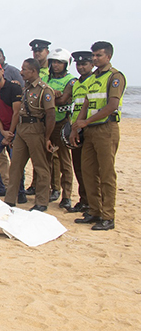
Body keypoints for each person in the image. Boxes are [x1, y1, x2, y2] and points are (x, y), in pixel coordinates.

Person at [70, 41, 124, 231]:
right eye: (93, 55)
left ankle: (108, 216)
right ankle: (94, 211)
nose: (95, 58)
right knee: (88, 171)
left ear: (108, 56)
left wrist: (86, 122)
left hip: (106, 129)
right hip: (90, 131)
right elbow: (86, 104)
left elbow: (112, 105)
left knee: (106, 173)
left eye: (98, 55)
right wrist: (77, 127)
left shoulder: (114, 77)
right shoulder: (92, 79)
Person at [4, 59, 55, 211]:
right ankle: (10, 199)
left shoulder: (44, 90)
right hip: (22, 128)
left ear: (33, 71)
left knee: (40, 166)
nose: (21, 72)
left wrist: (47, 137)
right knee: (16, 165)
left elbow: (50, 115)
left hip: (35, 128)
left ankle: (41, 202)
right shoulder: (26, 88)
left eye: (24, 69)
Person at [0, 61, 23, 198]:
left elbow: (16, 112)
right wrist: (2, 132)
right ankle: (0, 187)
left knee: (16, 160)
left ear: (2, 71)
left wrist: (10, 134)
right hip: (2, 129)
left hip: (16, 128)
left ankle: (20, 191)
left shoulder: (14, 88)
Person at [46, 48, 77, 208]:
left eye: (59, 62)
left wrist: (49, 96)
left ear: (66, 64)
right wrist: (52, 94)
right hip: (47, 123)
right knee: (49, 158)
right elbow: (41, 97)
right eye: (54, 62)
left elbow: (63, 100)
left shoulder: (71, 80)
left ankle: (67, 196)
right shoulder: (46, 78)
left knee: (65, 161)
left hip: (62, 122)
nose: (56, 65)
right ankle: (54, 189)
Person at [65, 50, 94, 214]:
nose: (81, 67)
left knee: (90, 169)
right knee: (79, 168)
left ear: (92, 64)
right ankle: (84, 200)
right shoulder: (75, 84)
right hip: (76, 129)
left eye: (84, 64)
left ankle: (92, 203)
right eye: (79, 64)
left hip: (90, 127)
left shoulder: (94, 81)